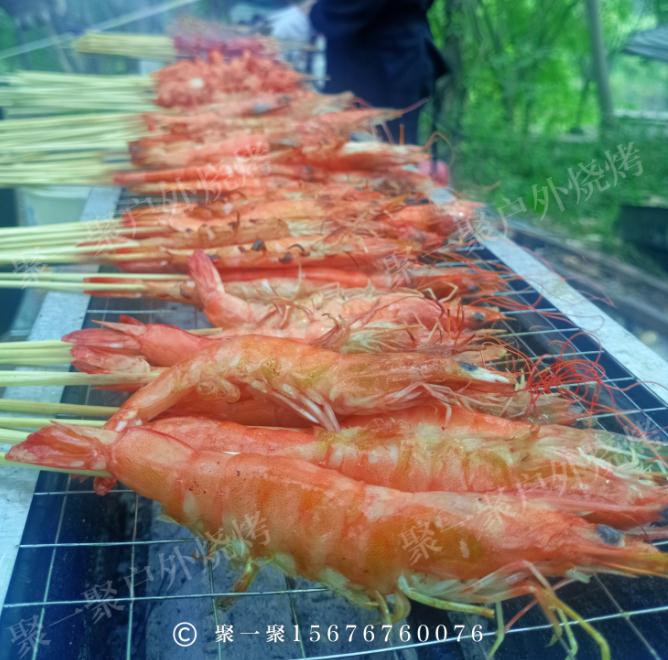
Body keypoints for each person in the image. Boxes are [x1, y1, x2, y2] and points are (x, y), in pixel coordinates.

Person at [306, 0, 448, 144]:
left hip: (383, 69)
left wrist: (318, 11)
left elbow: (347, 8)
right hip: (394, 61)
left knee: (379, 145)